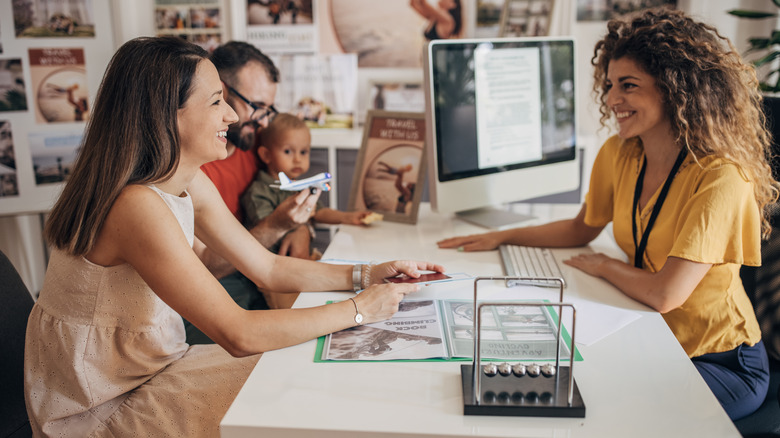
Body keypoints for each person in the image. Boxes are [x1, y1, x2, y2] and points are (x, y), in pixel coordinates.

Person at [23, 36, 443, 437]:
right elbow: (238, 333)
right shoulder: (136, 206)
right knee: (309, 386)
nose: (234, 116)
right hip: (103, 408)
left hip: (153, 370)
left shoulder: (187, 179)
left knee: (308, 368)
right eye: (217, 101)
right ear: (165, 115)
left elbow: (269, 268)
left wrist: (369, 273)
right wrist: (359, 310)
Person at [437, 7, 778, 421]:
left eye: (628, 86)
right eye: (611, 85)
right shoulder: (621, 152)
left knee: (607, 413)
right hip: (653, 337)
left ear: (675, 88)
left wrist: (603, 266)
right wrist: (504, 236)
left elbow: (665, 294)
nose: (612, 99)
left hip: (719, 360)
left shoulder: (721, 178)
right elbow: (583, 226)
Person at [189, 41, 316, 344]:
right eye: (257, 106)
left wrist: (300, 228)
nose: (264, 120)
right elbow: (207, 267)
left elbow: (286, 192)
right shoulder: (193, 163)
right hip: (222, 279)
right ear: (219, 92)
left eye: (269, 108)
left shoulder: (255, 140)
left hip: (260, 263)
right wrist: (277, 226)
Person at [241, 113, 371, 308]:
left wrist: (348, 217)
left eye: (304, 152)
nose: (297, 160)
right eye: (288, 152)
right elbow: (268, 226)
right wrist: (298, 229)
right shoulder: (259, 192)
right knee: (294, 309)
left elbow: (319, 211)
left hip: (305, 262)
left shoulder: (300, 186)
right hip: (276, 272)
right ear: (266, 155)